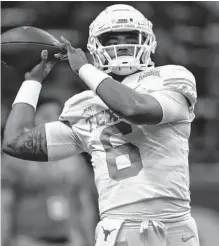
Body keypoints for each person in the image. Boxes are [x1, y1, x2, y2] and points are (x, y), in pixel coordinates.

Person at [3, 4, 200, 246]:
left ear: (147, 41)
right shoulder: (83, 104)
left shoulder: (170, 77)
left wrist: (84, 69)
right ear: (96, 46)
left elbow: (133, 109)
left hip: (172, 227)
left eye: (130, 36)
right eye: (112, 38)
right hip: (116, 231)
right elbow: (15, 143)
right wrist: (32, 82)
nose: (123, 44)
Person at [1, 102, 97, 246]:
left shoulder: (75, 160)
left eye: (57, 117)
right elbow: (5, 204)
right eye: (46, 116)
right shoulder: (16, 158)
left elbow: (85, 204)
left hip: (70, 239)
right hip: (28, 240)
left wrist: (90, 241)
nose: (52, 122)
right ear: (31, 120)